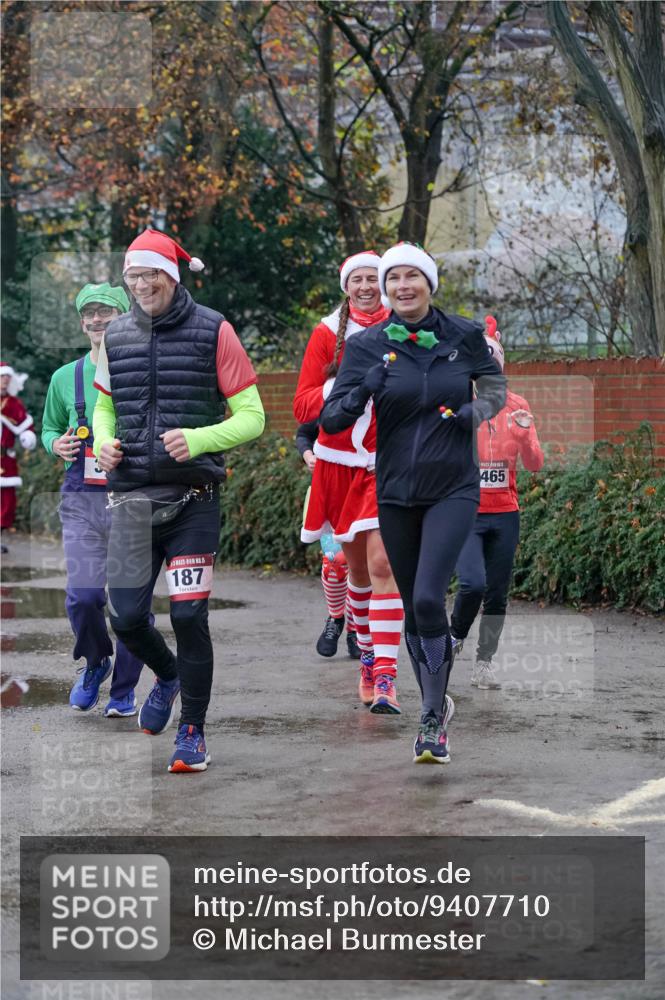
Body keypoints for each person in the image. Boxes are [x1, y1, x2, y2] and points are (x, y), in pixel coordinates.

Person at [321, 242, 507, 764]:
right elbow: (330, 421)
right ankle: (437, 700)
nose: (403, 286)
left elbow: (495, 386)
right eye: (393, 278)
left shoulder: (463, 334)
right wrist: (362, 392)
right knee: (411, 602)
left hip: (453, 486)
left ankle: (430, 717)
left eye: (412, 277)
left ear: (430, 283)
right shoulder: (366, 346)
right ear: (385, 289)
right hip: (395, 490)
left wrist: (477, 411)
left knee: (427, 598)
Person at [93, 228, 265, 773]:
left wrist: (200, 438)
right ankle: (168, 675)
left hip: (193, 500)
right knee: (123, 617)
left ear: (172, 275)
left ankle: (192, 728)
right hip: (130, 503)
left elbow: (253, 417)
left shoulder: (215, 330)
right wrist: (102, 441)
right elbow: (103, 408)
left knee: (189, 615)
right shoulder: (115, 335)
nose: (142, 285)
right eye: (133, 276)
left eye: (151, 275)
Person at [294, 252, 404, 714]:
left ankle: (385, 677)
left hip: (388, 463)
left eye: (372, 279)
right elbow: (302, 408)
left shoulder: (404, 326)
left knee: (383, 567)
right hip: (339, 464)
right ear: (346, 286)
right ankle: (364, 655)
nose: (365, 287)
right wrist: (342, 383)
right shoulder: (325, 332)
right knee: (354, 570)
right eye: (356, 280)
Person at [41, 282, 149, 716]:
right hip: (82, 501)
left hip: (132, 497)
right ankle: (96, 661)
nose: (97, 319)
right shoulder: (64, 377)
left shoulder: (142, 366)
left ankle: (123, 690)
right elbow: (49, 427)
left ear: (124, 316)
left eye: (106, 311)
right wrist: (56, 445)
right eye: (90, 314)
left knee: (129, 603)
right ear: (82, 323)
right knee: (83, 596)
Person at [451, 318, 544, 689]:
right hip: (467, 511)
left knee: (498, 593)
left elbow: (535, 464)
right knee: (472, 584)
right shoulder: (459, 403)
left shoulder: (517, 404)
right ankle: (455, 636)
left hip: (506, 513)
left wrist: (524, 437)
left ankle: (484, 664)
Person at [295, 418, 360, 659]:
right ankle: (336, 617)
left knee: (360, 567)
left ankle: (356, 629)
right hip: (329, 494)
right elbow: (303, 434)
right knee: (334, 561)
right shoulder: (328, 396)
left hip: (365, 492)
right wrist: (308, 456)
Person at [0, 362, 37, 550]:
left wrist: (26, 436)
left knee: (6, 499)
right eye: (1, 377)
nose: (5, 381)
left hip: (5, 459)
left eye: (7, 378)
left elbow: (25, 427)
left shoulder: (14, 404)